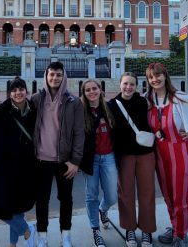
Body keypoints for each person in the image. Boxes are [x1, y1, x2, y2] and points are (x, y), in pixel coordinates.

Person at [145, 63, 188, 247]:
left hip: (180, 150)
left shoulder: (179, 97)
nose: (155, 80)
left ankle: (181, 235)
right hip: (160, 153)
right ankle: (175, 227)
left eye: (157, 75)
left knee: (180, 194)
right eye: (151, 77)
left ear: (165, 76)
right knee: (168, 194)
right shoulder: (149, 100)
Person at [30, 61, 85, 247]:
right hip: (41, 160)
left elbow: (79, 133)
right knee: (42, 200)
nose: (55, 78)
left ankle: (66, 235)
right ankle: (42, 235)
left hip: (65, 161)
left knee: (66, 199)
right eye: (51, 74)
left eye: (58, 75)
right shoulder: (36, 100)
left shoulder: (74, 102)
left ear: (64, 77)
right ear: (46, 76)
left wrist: (75, 161)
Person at [0, 77, 37, 247]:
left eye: (21, 89)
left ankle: (12, 243)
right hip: (4, 166)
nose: (18, 93)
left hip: (26, 166)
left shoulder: (34, 110)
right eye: (14, 90)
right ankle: (27, 231)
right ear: (9, 93)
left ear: (26, 91)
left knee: (17, 206)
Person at [108, 72, 156, 247]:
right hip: (125, 155)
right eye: (125, 84)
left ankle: (147, 230)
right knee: (126, 194)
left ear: (136, 86)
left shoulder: (144, 102)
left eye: (132, 84)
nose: (128, 87)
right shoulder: (112, 105)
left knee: (147, 193)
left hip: (145, 154)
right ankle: (129, 229)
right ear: (119, 84)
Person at [79, 79, 117, 247]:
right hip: (91, 159)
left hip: (108, 157)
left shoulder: (110, 107)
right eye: (88, 90)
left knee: (112, 196)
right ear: (84, 93)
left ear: (100, 90)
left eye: (94, 88)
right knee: (91, 195)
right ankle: (96, 230)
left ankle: (103, 209)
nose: (92, 92)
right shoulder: (80, 111)